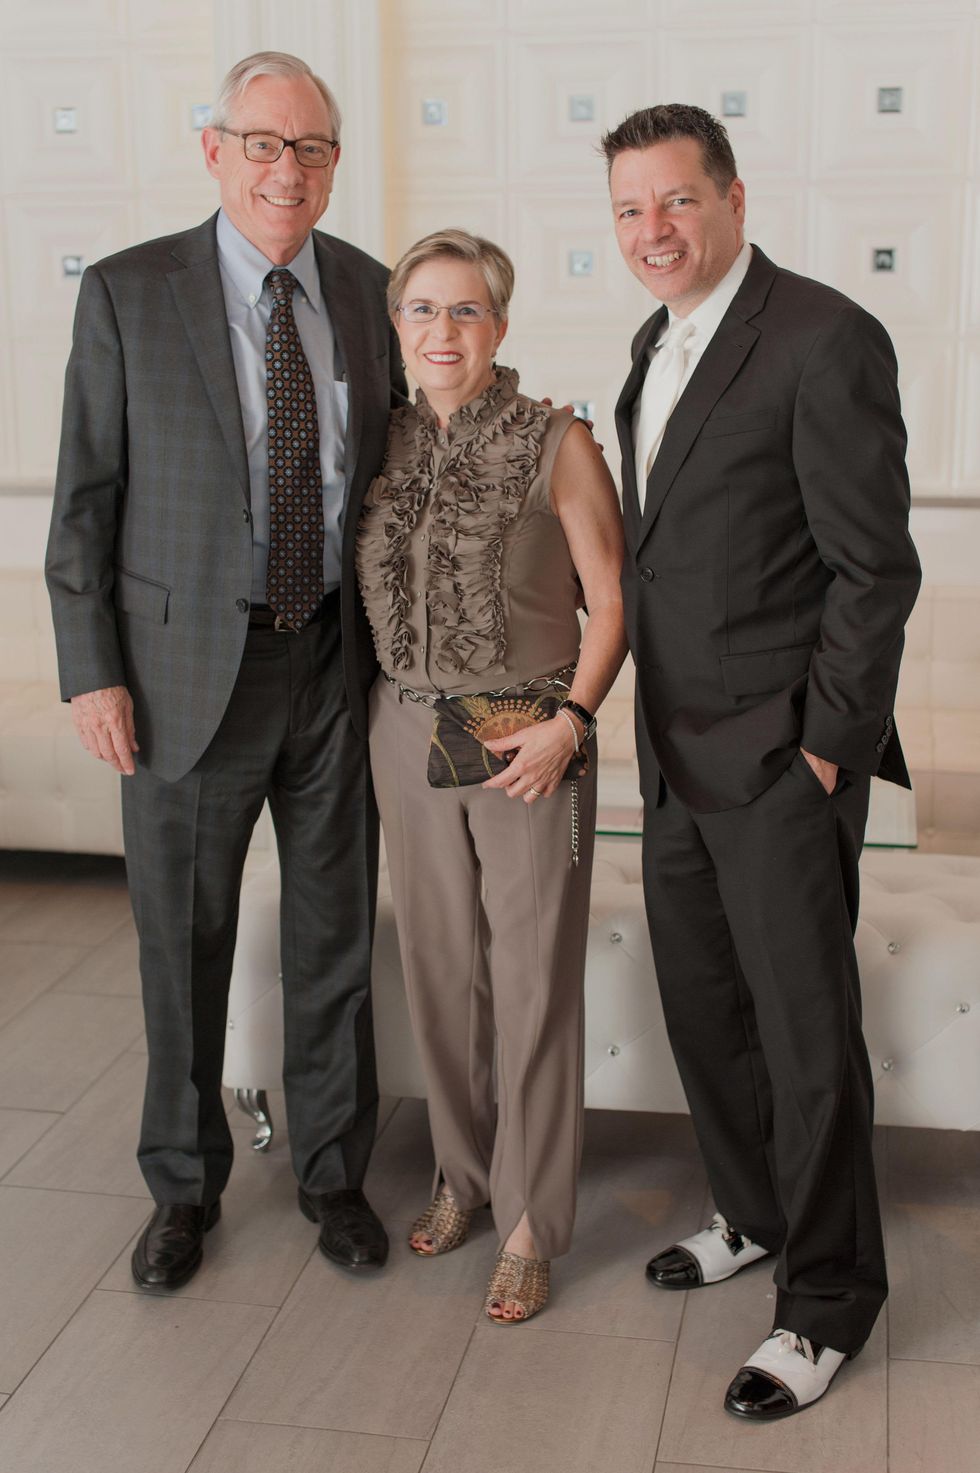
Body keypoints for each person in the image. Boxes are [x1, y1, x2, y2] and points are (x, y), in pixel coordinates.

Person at [45, 51, 407, 1289]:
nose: (284, 169)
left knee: (333, 940)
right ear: (214, 150)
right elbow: (84, 499)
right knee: (179, 945)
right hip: (180, 674)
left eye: (308, 148)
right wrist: (92, 671)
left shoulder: (369, 292)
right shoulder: (128, 293)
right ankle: (182, 1188)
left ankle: (330, 1175)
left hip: (333, 669)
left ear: (333, 164)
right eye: (262, 143)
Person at [603, 105, 920, 1417]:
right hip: (674, 753)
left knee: (802, 1037)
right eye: (629, 209)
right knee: (703, 1009)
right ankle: (751, 1210)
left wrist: (830, 755)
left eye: (676, 201)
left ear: (734, 197)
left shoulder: (822, 336)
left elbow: (873, 568)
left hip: (784, 761)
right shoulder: (654, 342)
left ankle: (830, 1297)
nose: (653, 231)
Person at [356, 229, 627, 1323]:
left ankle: (528, 1218)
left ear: (500, 327)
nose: (442, 331)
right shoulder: (376, 441)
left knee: (530, 982)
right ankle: (460, 1177)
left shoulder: (557, 439)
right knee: (436, 972)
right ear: (396, 326)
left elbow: (610, 604)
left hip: (527, 738)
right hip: (400, 734)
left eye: (465, 311)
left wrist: (571, 722)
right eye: (422, 309)